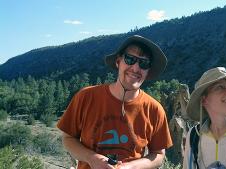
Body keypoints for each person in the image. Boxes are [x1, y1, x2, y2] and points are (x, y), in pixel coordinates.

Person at [57, 35, 173, 169]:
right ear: (118, 62)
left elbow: (158, 154)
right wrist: (92, 158)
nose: (135, 68)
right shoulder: (86, 96)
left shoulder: (154, 109)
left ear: (148, 71)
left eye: (144, 63)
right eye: (130, 59)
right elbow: (68, 139)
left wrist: (131, 167)